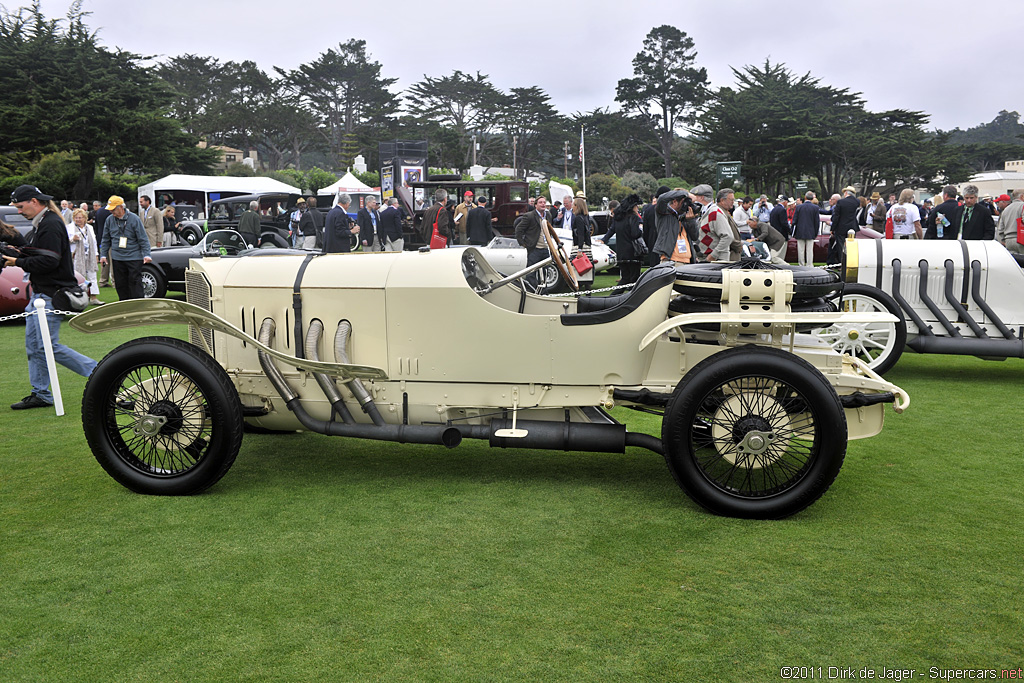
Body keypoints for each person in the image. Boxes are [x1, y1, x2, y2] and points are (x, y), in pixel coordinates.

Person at [3, 185, 97, 410]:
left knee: (46, 346)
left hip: (49, 295)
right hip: (41, 294)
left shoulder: (50, 224)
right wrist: (18, 251)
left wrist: (17, 262)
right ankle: (41, 393)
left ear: (34, 201)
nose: (18, 211)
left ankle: (102, 372)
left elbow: (49, 261)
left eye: (20, 206)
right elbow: (40, 254)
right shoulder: (45, 223)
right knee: (36, 346)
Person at [99, 195, 151, 300]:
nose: (111, 212)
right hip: (117, 257)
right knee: (120, 284)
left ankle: (138, 306)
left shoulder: (134, 219)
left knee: (135, 283)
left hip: (134, 257)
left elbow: (143, 238)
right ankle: (124, 306)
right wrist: (103, 255)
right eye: (110, 210)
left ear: (121, 207)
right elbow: (105, 239)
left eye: (113, 209)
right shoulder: (109, 220)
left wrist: (146, 254)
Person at [513, 194, 553, 289]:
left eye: (544, 202)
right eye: (540, 202)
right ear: (535, 205)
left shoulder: (548, 215)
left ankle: (543, 292)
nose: (543, 204)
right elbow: (519, 229)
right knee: (531, 272)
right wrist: (523, 243)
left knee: (545, 272)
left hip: (545, 249)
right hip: (534, 249)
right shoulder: (529, 216)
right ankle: (532, 291)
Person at [67, 208, 102, 305]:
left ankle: (94, 297)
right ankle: (80, 298)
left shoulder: (89, 228)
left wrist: (96, 254)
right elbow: (64, 241)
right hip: (76, 255)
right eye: (76, 217)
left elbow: (94, 242)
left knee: (92, 276)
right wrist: (72, 239)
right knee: (78, 276)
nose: (78, 219)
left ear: (85, 218)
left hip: (89, 255)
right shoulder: (69, 227)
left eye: (80, 217)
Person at [698, 188, 742, 263]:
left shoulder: (717, 211)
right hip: (717, 259)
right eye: (731, 200)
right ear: (722, 200)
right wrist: (714, 255)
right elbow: (728, 236)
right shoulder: (717, 212)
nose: (733, 202)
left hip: (717, 256)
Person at [610, 194, 646, 285]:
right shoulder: (633, 218)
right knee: (634, 279)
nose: (638, 208)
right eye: (636, 206)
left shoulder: (618, 219)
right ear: (632, 207)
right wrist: (641, 229)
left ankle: (614, 296)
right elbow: (635, 234)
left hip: (621, 252)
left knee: (625, 279)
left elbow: (612, 230)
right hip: (633, 253)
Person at [652, 189, 691, 264]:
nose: (686, 205)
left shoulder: (684, 217)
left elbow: (695, 236)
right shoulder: (664, 214)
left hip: (687, 262)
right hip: (671, 260)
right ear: (675, 202)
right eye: (684, 202)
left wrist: (691, 220)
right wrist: (685, 194)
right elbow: (661, 199)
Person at [792, 191, 826, 266]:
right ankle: (809, 264)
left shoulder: (799, 207)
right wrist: (816, 232)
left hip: (800, 231)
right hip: (811, 232)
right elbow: (816, 222)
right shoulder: (815, 208)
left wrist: (793, 232)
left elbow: (795, 220)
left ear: (805, 197)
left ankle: (801, 264)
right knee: (809, 250)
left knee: (800, 250)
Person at [829, 186, 860, 263]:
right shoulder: (857, 202)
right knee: (851, 246)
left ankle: (842, 262)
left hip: (841, 227)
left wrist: (832, 228)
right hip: (852, 227)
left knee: (841, 247)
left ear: (846, 193)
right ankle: (851, 262)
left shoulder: (841, 202)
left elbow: (836, 216)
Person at [569, 196, 594, 290]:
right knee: (587, 273)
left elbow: (580, 235)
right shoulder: (586, 217)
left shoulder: (578, 218)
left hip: (580, 247)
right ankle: (588, 295)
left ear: (577, 206)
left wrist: (579, 249)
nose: (572, 206)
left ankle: (578, 296)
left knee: (577, 271)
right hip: (586, 246)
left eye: (573, 204)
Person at [995, 190, 1024, 254]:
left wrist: (1002, 241)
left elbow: (1000, 228)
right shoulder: (1022, 206)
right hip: (1021, 240)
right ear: (1022, 196)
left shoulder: (1006, 210)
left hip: (1008, 241)